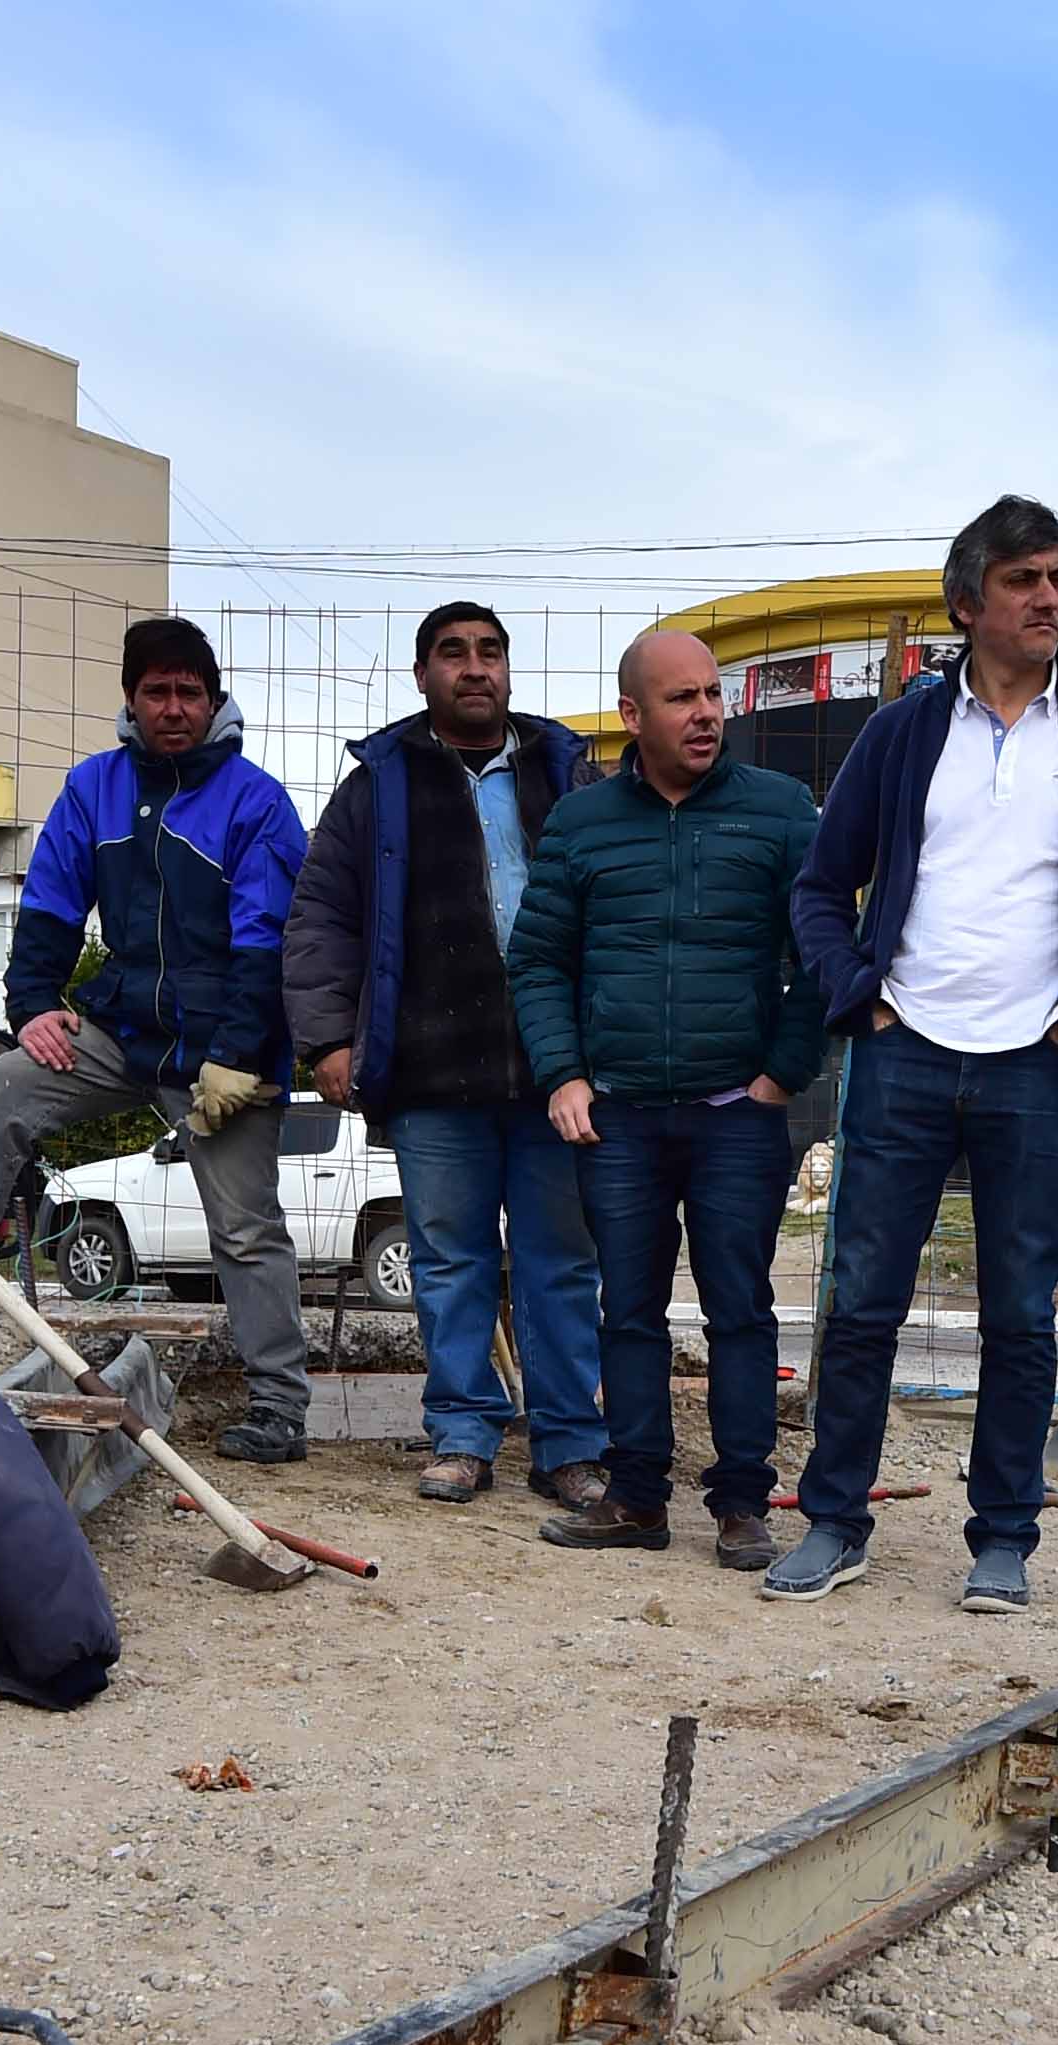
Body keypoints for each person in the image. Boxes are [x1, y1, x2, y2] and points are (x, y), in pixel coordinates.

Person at [769, 497, 1058, 1612]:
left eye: (1056, 576)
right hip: (902, 1051)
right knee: (858, 1302)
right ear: (968, 604)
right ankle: (831, 1521)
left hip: (1036, 1066)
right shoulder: (904, 734)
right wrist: (857, 996)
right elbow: (819, 885)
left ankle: (1001, 1537)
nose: (1048, 596)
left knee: (1020, 1312)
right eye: (1022, 579)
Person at [0, 619, 315, 1465]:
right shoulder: (93, 790)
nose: (174, 707)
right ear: (130, 699)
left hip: (220, 1052)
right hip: (121, 1031)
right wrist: (31, 1005)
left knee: (245, 1227)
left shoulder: (257, 802)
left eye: (191, 691)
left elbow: (270, 939)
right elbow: (49, 905)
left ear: (215, 699)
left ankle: (278, 1407)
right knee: (3, 1089)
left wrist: (240, 1053)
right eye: (157, 691)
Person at [505, 629, 822, 1563]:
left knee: (741, 1311)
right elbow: (538, 961)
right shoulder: (582, 822)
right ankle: (637, 1498)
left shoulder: (780, 812)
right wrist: (563, 1075)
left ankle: (741, 1504)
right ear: (633, 716)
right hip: (622, 1117)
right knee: (629, 1312)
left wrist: (779, 1076)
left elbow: (824, 956)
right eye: (682, 699)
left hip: (739, 1115)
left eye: (714, 695)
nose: (707, 714)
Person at [282, 602, 608, 1507]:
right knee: (449, 1258)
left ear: (509, 669)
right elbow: (319, 918)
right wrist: (328, 1039)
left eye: (490, 653)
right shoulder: (378, 787)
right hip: (432, 1065)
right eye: (453, 654)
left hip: (555, 1074)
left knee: (560, 1261)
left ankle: (570, 1446)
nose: (475, 668)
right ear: (422, 674)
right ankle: (463, 1433)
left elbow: (613, 909)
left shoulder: (567, 775)